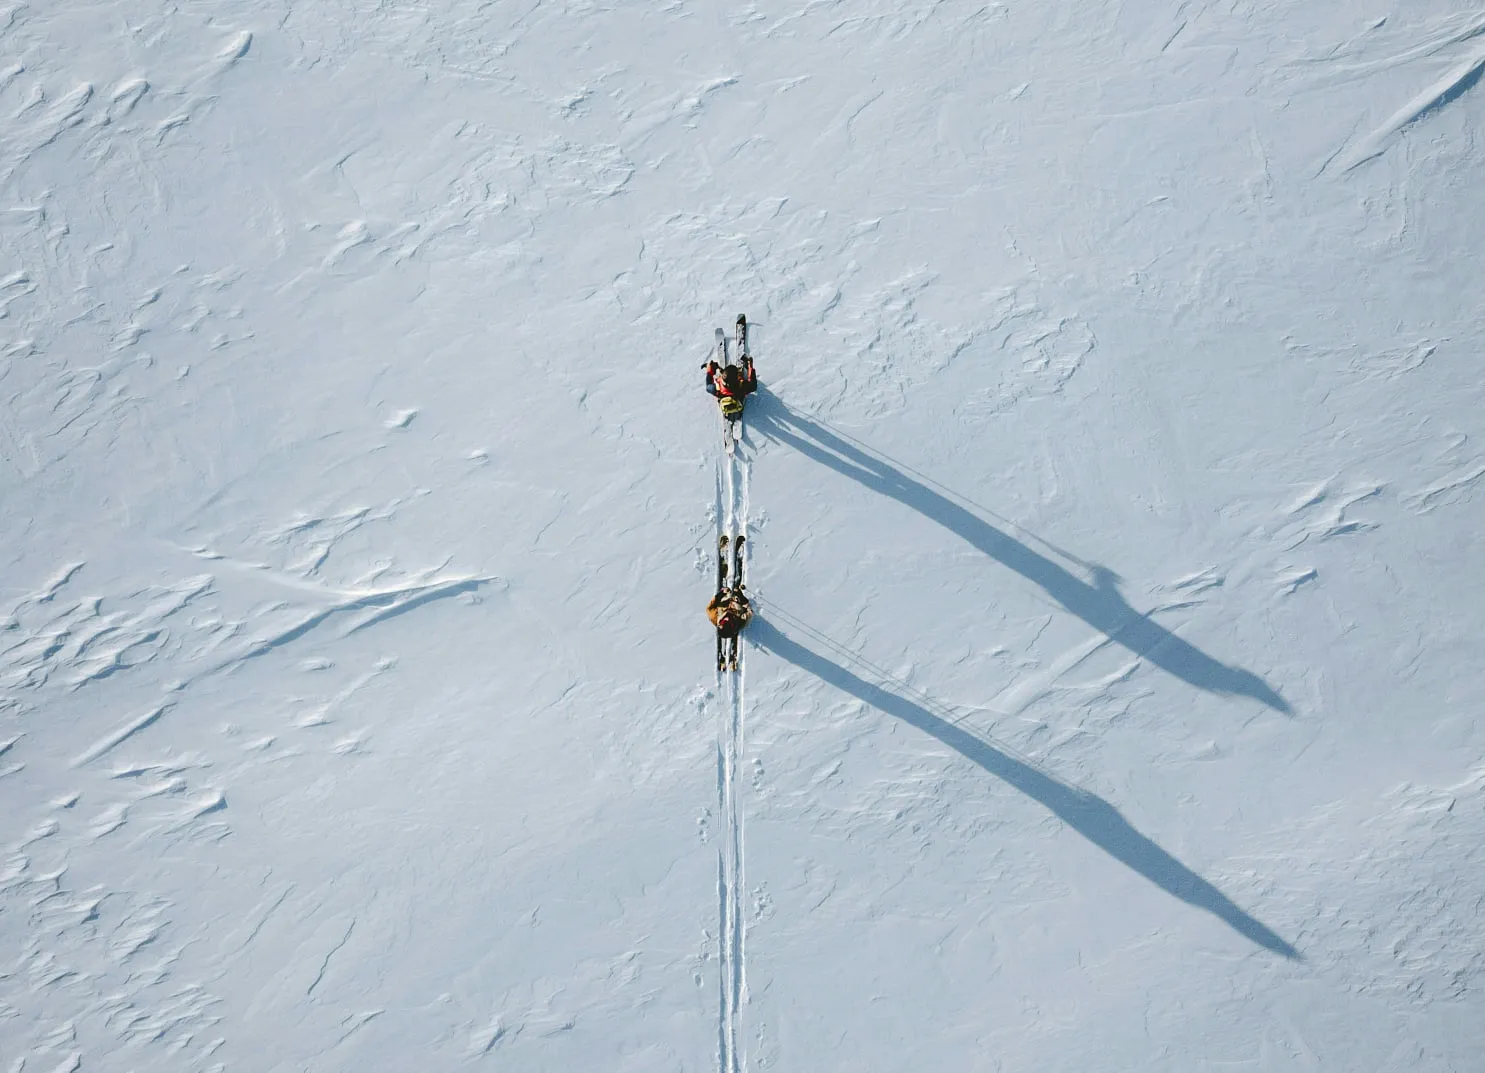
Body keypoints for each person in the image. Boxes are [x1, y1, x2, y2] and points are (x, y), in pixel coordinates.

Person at [704, 354, 757, 418]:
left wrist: (710, 369)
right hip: (738, 397)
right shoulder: (742, 387)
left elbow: (708, 386)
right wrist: (750, 366)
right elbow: (753, 386)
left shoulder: (717, 388)